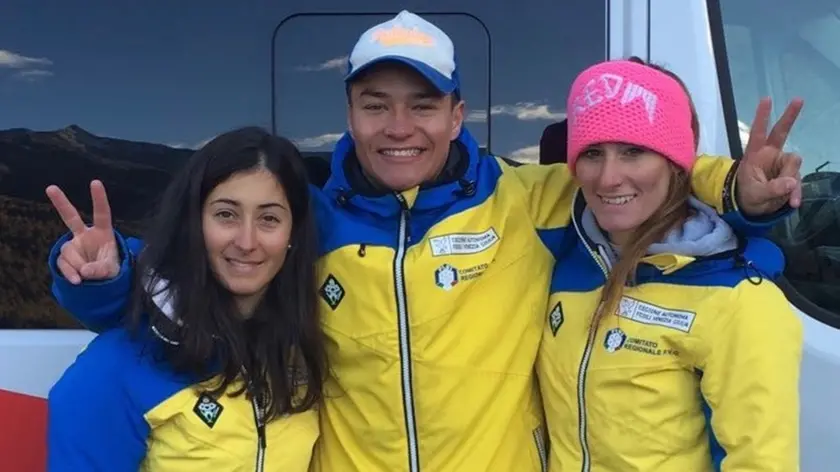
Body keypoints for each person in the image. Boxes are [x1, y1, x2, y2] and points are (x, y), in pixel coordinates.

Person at [45, 11, 804, 472]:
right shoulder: (309, 220)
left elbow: (638, 177)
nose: (399, 127)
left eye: (422, 105)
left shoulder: (529, 202)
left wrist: (737, 192)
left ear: (456, 113)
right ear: (350, 113)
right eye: (376, 105)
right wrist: (104, 277)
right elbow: (201, 271)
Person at [537, 58, 802, 471]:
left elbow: (759, 462)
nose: (608, 178)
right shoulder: (561, 260)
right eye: (592, 153)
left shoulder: (737, 300)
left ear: (675, 162)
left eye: (633, 151)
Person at [45, 127, 326, 471]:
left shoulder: (304, 348)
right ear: (194, 222)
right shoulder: (117, 367)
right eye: (226, 214)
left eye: (269, 218)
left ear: (293, 233)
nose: (247, 241)